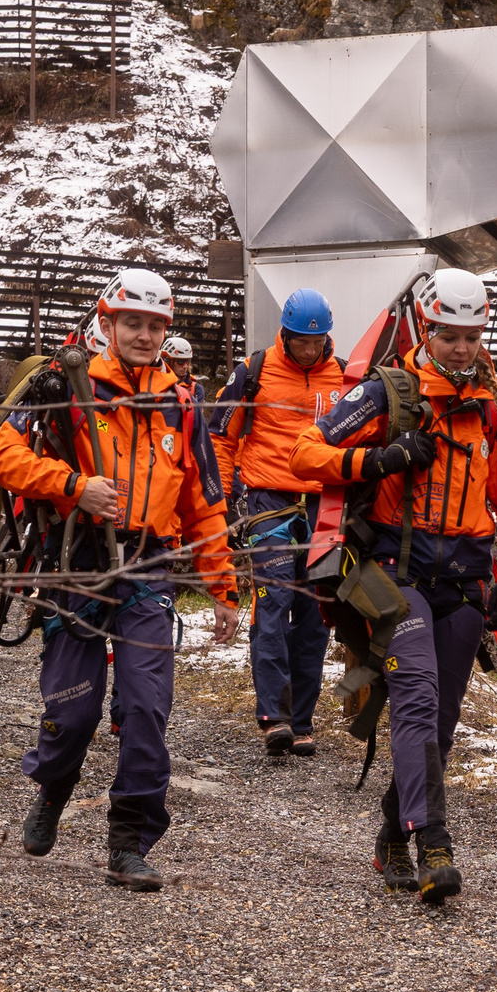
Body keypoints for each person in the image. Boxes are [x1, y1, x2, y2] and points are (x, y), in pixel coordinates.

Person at [0, 268, 241, 890]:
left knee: (147, 712)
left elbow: (202, 504)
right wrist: (74, 486)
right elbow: (2, 455)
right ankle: (53, 787)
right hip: (77, 568)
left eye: (156, 325)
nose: (145, 335)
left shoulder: (181, 404)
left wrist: (223, 586)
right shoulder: (63, 384)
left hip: (149, 570)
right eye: (134, 323)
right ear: (107, 322)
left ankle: (129, 840)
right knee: (71, 713)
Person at [292, 267, 497, 908]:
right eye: (448, 335)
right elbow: (306, 453)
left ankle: (391, 831)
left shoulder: (495, 410)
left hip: (463, 579)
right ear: (425, 329)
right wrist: (378, 460)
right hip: (392, 577)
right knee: (417, 701)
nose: (461, 347)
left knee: (443, 720)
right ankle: (432, 841)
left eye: (471, 336)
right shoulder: (386, 393)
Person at [213, 287, 346, 758]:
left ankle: (303, 721)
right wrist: (224, 502)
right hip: (268, 500)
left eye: (317, 342)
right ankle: (275, 717)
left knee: (315, 615)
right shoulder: (253, 371)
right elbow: (221, 439)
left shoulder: (345, 376)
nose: (309, 351)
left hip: (325, 507)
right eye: (300, 342)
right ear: (285, 335)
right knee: (273, 606)